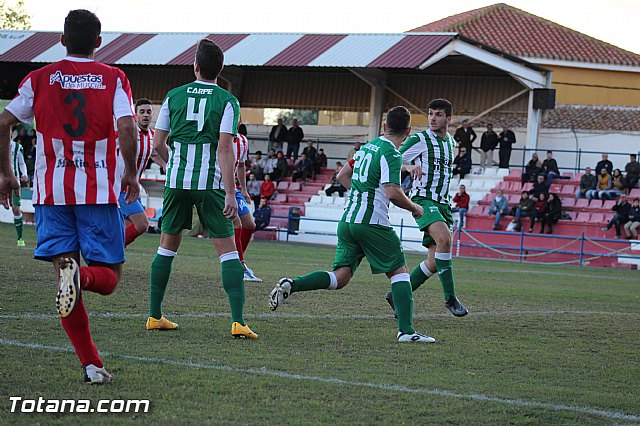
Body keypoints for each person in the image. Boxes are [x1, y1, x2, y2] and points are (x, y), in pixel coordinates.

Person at [0, 9, 140, 384]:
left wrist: (6, 174)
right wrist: (131, 172)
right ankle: (85, 278)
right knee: (109, 277)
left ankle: (91, 365)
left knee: (64, 276)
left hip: (51, 195)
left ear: (62, 40)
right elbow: (127, 126)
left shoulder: (39, 79)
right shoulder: (113, 78)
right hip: (97, 193)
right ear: (98, 41)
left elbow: (3, 123)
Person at [269, 106, 436, 343]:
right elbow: (393, 192)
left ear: (384, 126)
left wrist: (360, 195)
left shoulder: (366, 147)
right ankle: (407, 332)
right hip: (372, 223)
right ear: (408, 130)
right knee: (400, 273)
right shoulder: (391, 152)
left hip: (348, 220)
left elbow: (342, 175)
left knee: (341, 277)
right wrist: (415, 208)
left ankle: (292, 285)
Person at [148, 39, 257, 339]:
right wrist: (231, 191)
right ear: (220, 70)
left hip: (176, 182)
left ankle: (154, 315)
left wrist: (174, 166)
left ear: (195, 66)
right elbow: (225, 147)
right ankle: (238, 321)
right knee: (228, 253)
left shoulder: (173, 96)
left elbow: (158, 144)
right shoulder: (227, 101)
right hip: (209, 184)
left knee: (166, 248)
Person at [390, 98, 468, 319]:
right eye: (431, 113)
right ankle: (450, 298)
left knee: (435, 261)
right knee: (445, 240)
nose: (433, 118)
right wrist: (408, 166)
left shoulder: (451, 143)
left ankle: (397, 296)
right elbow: (394, 159)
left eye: (439, 114)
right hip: (424, 199)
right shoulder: (420, 139)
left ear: (448, 119)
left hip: (442, 203)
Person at [120, 98, 166, 247]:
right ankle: (112, 252)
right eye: (142, 112)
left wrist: (165, 165)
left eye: (148, 112)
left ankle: (113, 260)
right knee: (142, 224)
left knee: (126, 228)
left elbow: (153, 154)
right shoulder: (128, 134)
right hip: (121, 188)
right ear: (136, 115)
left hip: (134, 189)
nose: (146, 115)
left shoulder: (152, 136)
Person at [233, 127, 261, 283]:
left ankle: (236, 262)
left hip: (234, 189)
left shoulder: (242, 141)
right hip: (217, 187)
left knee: (249, 224)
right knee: (236, 223)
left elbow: (241, 165)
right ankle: (240, 267)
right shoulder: (216, 137)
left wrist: (244, 189)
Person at [8, 132, 28, 246]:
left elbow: (22, 162)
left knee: (16, 209)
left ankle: (20, 238)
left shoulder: (17, 147)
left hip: (14, 181)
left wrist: (24, 174)